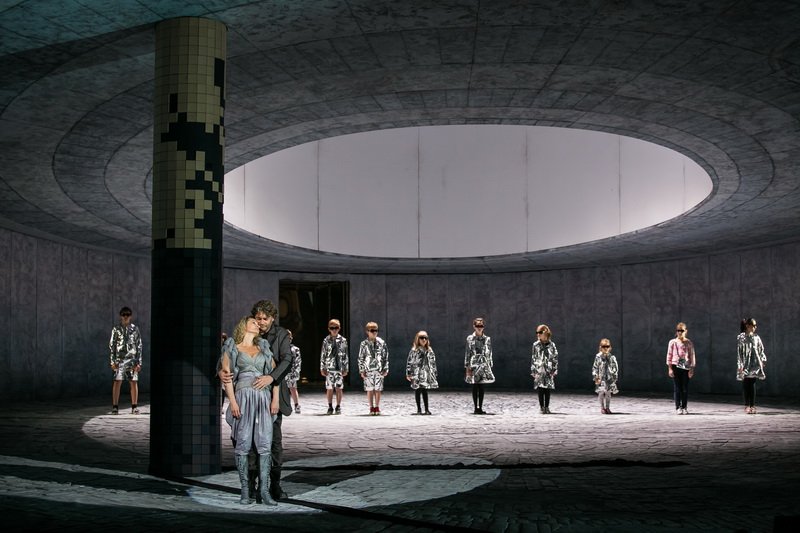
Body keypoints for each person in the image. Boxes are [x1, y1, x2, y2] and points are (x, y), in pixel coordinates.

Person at [219, 300, 293, 502]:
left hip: (267, 398)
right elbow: (226, 363)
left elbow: (286, 360)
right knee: (246, 445)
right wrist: (221, 373)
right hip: (244, 397)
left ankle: (271, 486)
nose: (260, 322)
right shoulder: (237, 343)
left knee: (272, 445)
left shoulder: (279, 336)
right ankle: (249, 486)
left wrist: (271, 378)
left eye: (264, 319)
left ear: (272, 318)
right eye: (257, 318)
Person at [108, 306, 143, 415]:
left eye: (128, 314)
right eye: (124, 314)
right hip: (120, 360)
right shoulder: (116, 329)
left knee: (133, 382)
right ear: (121, 316)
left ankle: (134, 406)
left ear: (130, 316)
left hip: (132, 360)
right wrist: (112, 361)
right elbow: (112, 345)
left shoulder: (135, 329)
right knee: (117, 382)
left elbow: (139, 346)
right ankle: (115, 406)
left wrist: (139, 362)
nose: (126, 316)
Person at [358, 322, 389, 415]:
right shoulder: (364, 344)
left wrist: (386, 368)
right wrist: (362, 370)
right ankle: (371, 407)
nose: (374, 332)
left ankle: (377, 407)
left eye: (376, 330)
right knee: (370, 389)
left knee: (378, 389)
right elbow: (361, 357)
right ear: (367, 331)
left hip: (379, 369)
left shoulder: (382, 343)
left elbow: (385, 356)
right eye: (372, 330)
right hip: (368, 370)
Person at [737, 318, 767, 414]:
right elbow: (739, 352)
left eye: (755, 326)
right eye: (753, 325)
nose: (755, 327)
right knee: (746, 384)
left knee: (752, 383)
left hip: (754, 363)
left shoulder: (756, 337)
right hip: (745, 364)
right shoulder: (741, 337)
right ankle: (747, 405)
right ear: (747, 326)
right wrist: (740, 364)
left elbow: (761, 349)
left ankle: (753, 405)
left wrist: (762, 360)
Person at [465, 317, 494, 414]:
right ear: (474, 326)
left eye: (481, 326)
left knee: (481, 386)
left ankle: (480, 407)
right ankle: (475, 407)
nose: (479, 327)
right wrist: (467, 368)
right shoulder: (470, 338)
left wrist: (489, 365)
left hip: (483, 365)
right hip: (473, 365)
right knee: (474, 386)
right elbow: (467, 353)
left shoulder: (487, 339)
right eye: (477, 325)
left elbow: (489, 353)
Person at [406, 330, 438, 415]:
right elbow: (409, 362)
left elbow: (433, 362)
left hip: (426, 374)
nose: (424, 340)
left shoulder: (429, 350)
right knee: (417, 390)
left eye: (425, 338)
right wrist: (408, 373)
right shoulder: (414, 350)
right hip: (416, 374)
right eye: (422, 338)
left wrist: (434, 372)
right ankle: (419, 409)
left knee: (425, 391)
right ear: (418, 339)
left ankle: (427, 409)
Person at [667, 322, 696, 415]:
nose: (680, 332)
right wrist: (670, 369)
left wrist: (691, 368)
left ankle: (684, 407)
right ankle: (678, 407)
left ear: (685, 331)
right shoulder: (672, 342)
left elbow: (692, 355)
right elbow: (669, 355)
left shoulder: (689, 342)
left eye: (682, 330)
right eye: (678, 330)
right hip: (675, 365)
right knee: (677, 388)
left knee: (685, 388)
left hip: (686, 366)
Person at [320, 318, 349, 415]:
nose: (334, 330)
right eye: (332, 328)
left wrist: (346, 368)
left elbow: (345, 355)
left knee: (339, 388)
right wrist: (322, 367)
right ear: (329, 329)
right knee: (329, 388)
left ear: (339, 328)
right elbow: (323, 354)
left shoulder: (343, 340)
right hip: (329, 367)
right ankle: (330, 406)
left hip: (339, 368)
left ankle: (338, 406)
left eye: (336, 328)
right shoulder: (326, 340)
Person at [530, 324, 558, 414]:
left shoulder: (552, 345)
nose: (538, 334)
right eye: (537, 332)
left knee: (547, 389)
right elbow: (533, 358)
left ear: (546, 332)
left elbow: (555, 358)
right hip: (539, 369)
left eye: (540, 332)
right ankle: (542, 407)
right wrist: (533, 370)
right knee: (540, 389)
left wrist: (554, 369)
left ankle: (547, 407)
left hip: (548, 370)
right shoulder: (536, 345)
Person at [592, 338, 619, 414]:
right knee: (601, 393)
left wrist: (614, 376)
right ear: (601, 347)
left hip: (609, 378)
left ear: (610, 347)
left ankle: (607, 407)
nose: (606, 348)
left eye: (607, 346)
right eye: (604, 346)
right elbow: (595, 367)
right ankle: (602, 407)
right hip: (601, 378)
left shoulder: (612, 357)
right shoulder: (598, 357)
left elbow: (615, 367)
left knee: (608, 393)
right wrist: (596, 376)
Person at [286, 329, 302, 414]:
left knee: (293, 388)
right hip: (282, 372)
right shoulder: (280, 349)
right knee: (281, 389)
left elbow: (298, 361)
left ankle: (296, 404)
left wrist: (296, 372)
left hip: (291, 372)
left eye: (289, 338)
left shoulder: (295, 349)